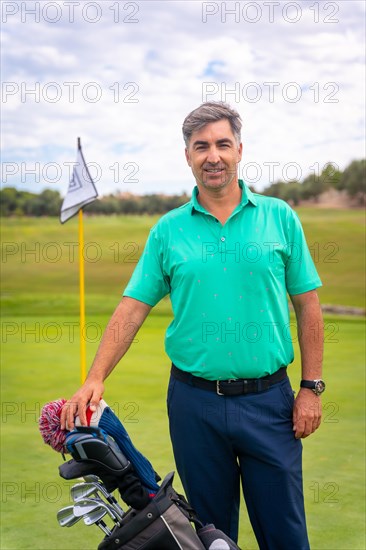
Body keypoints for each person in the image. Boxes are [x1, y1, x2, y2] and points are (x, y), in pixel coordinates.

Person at [61, 102, 325, 549]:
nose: (213, 155)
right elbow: (132, 308)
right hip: (194, 406)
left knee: (285, 535)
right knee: (207, 538)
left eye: (223, 144)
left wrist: (310, 387)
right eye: (201, 146)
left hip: (271, 402)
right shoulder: (168, 230)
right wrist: (95, 376)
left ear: (239, 150)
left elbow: (308, 305)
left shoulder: (280, 216)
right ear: (187, 156)